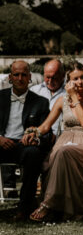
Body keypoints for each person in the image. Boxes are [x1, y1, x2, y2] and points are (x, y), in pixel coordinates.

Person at [30, 63, 83, 221]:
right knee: (60, 151)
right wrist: (34, 132)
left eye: (82, 77)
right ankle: (60, 206)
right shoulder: (61, 101)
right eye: (75, 79)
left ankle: (48, 204)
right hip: (64, 141)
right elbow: (46, 125)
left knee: (63, 152)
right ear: (68, 82)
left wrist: (74, 98)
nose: (80, 82)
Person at [0, 60, 52, 220]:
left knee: (33, 154)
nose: (20, 78)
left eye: (24, 75)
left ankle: (24, 207)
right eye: (16, 74)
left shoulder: (40, 102)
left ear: (30, 77)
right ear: (10, 77)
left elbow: (46, 133)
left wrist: (35, 138)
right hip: (1, 143)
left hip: (24, 146)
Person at [31, 58, 66, 135]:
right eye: (47, 77)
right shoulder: (34, 91)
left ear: (62, 75)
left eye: (54, 78)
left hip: (60, 138)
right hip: (38, 137)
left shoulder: (69, 93)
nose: (50, 81)